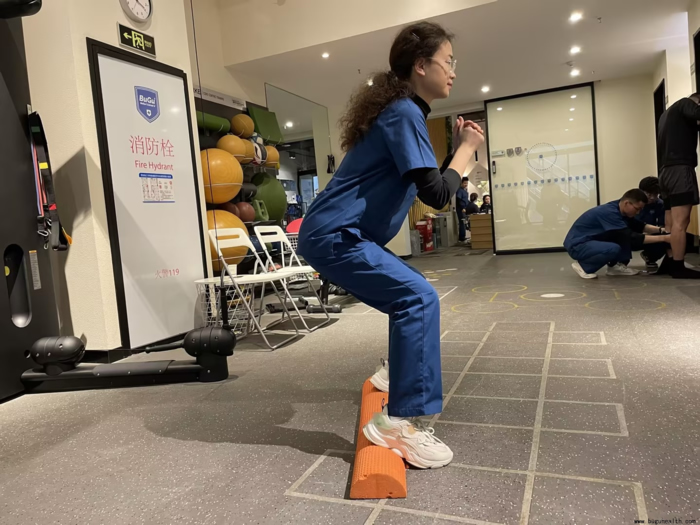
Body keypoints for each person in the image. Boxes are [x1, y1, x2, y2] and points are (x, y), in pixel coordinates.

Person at [297, 22, 485, 469]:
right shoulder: (404, 112)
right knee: (418, 299)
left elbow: (432, 186)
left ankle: (396, 374)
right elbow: (438, 195)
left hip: (342, 234)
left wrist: (458, 155)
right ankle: (399, 422)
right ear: (421, 65)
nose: (453, 71)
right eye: (448, 62)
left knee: (410, 294)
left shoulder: (403, 112)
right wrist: (466, 149)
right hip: (335, 235)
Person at [564, 189, 671, 279]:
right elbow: (631, 237)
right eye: (637, 209)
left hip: (589, 241)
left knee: (621, 234)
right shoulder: (609, 212)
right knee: (615, 245)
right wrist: (664, 238)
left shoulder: (620, 209)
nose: (638, 212)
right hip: (577, 245)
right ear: (627, 203)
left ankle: (615, 267)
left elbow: (640, 226)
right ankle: (583, 267)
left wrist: (662, 230)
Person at [656, 93, 700, 278]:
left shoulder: (665, 115)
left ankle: (669, 261)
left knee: (670, 222)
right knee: (681, 222)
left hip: (665, 172)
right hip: (680, 169)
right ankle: (678, 267)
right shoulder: (686, 103)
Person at [455, 177, 470, 242]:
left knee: (464, 222)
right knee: (462, 222)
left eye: (466, 183)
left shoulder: (465, 190)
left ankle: (463, 236)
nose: (466, 184)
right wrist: (462, 208)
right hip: (461, 209)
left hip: (464, 208)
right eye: (464, 183)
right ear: (461, 183)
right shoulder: (459, 190)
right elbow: (459, 200)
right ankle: (461, 237)